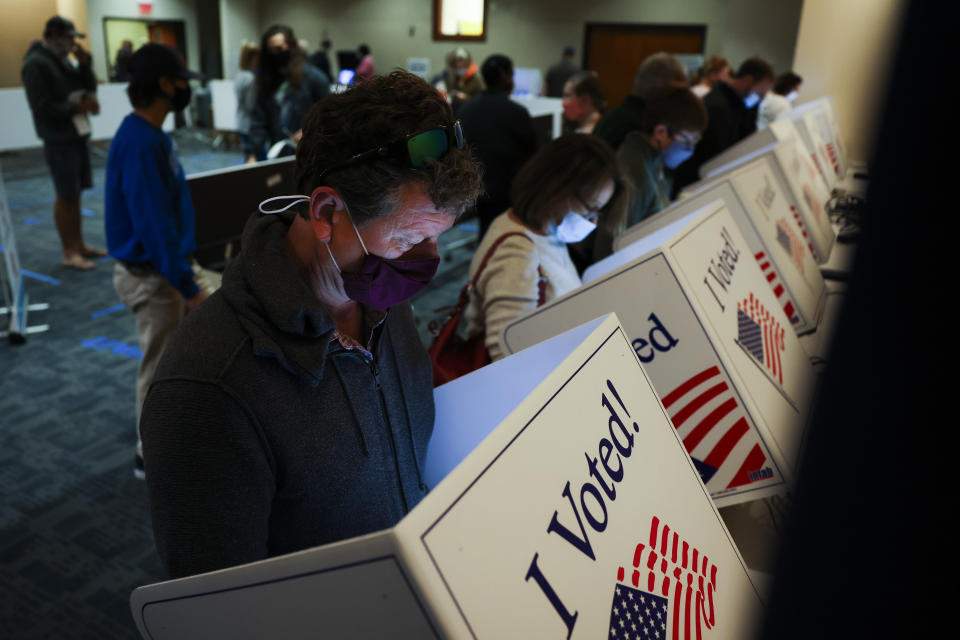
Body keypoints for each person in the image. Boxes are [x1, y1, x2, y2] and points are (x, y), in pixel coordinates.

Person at [139, 70, 483, 579]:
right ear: (326, 211)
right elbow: (219, 613)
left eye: (438, 239)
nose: (425, 263)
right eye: (410, 240)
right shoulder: (208, 388)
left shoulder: (379, 299)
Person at [104, 44, 208, 479]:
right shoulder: (140, 143)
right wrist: (188, 287)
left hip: (164, 269)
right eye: (180, 79)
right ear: (164, 85)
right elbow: (153, 225)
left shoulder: (151, 135)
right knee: (160, 364)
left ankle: (174, 432)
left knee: (173, 358)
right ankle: (151, 454)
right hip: (153, 278)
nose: (186, 87)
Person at [464, 135, 630, 361]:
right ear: (557, 189)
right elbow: (508, 359)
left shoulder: (540, 231)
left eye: (598, 213)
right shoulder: (517, 256)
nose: (593, 223)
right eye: (590, 210)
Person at [21, 16, 104, 270]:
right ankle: (69, 252)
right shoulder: (36, 64)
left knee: (75, 194)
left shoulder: (64, 63)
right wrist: (75, 107)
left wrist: (85, 64)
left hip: (75, 136)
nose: (72, 44)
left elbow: (89, 88)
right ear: (55, 37)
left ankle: (78, 245)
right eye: (70, 39)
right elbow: (41, 107)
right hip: (58, 139)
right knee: (65, 195)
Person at [593, 84, 708, 261]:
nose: (689, 150)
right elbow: (609, 250)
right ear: (661, 131)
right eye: (686, 142)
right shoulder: (636, 173)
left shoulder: (654, 159)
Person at [458, 54, 539, 238]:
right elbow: (532, 157)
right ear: (506, 77)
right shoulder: (517, 113)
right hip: (505, 193)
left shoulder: (467, 109)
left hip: (471, 188)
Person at [674, 56, 775, 192]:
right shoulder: (718, 105)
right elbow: (719, 154)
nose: (762, 96)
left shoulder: (741, 105)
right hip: (696, 182)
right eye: (761, 91)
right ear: (747, 81)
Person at [244, 25, 330, 163]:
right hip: (279, 157)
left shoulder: (315, 79)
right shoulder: (267, 83)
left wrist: (308, 130)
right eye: (270, 51)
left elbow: (329, 117)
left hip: (311, 157)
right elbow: (259, 122)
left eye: (279, 49)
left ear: (291, 47)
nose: (275, 55)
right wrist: (252, 154)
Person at [593, 52, 688, 151]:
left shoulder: (616, 116)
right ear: (658, 87)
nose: (679, 99)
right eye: (677, 92)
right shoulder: (638, 128)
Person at [234, 41, 259, 155]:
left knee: (248, 155)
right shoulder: (250, 78)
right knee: (255, 159)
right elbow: (251, 105)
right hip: (250, 125)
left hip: (241, 122)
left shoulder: (240, 75)